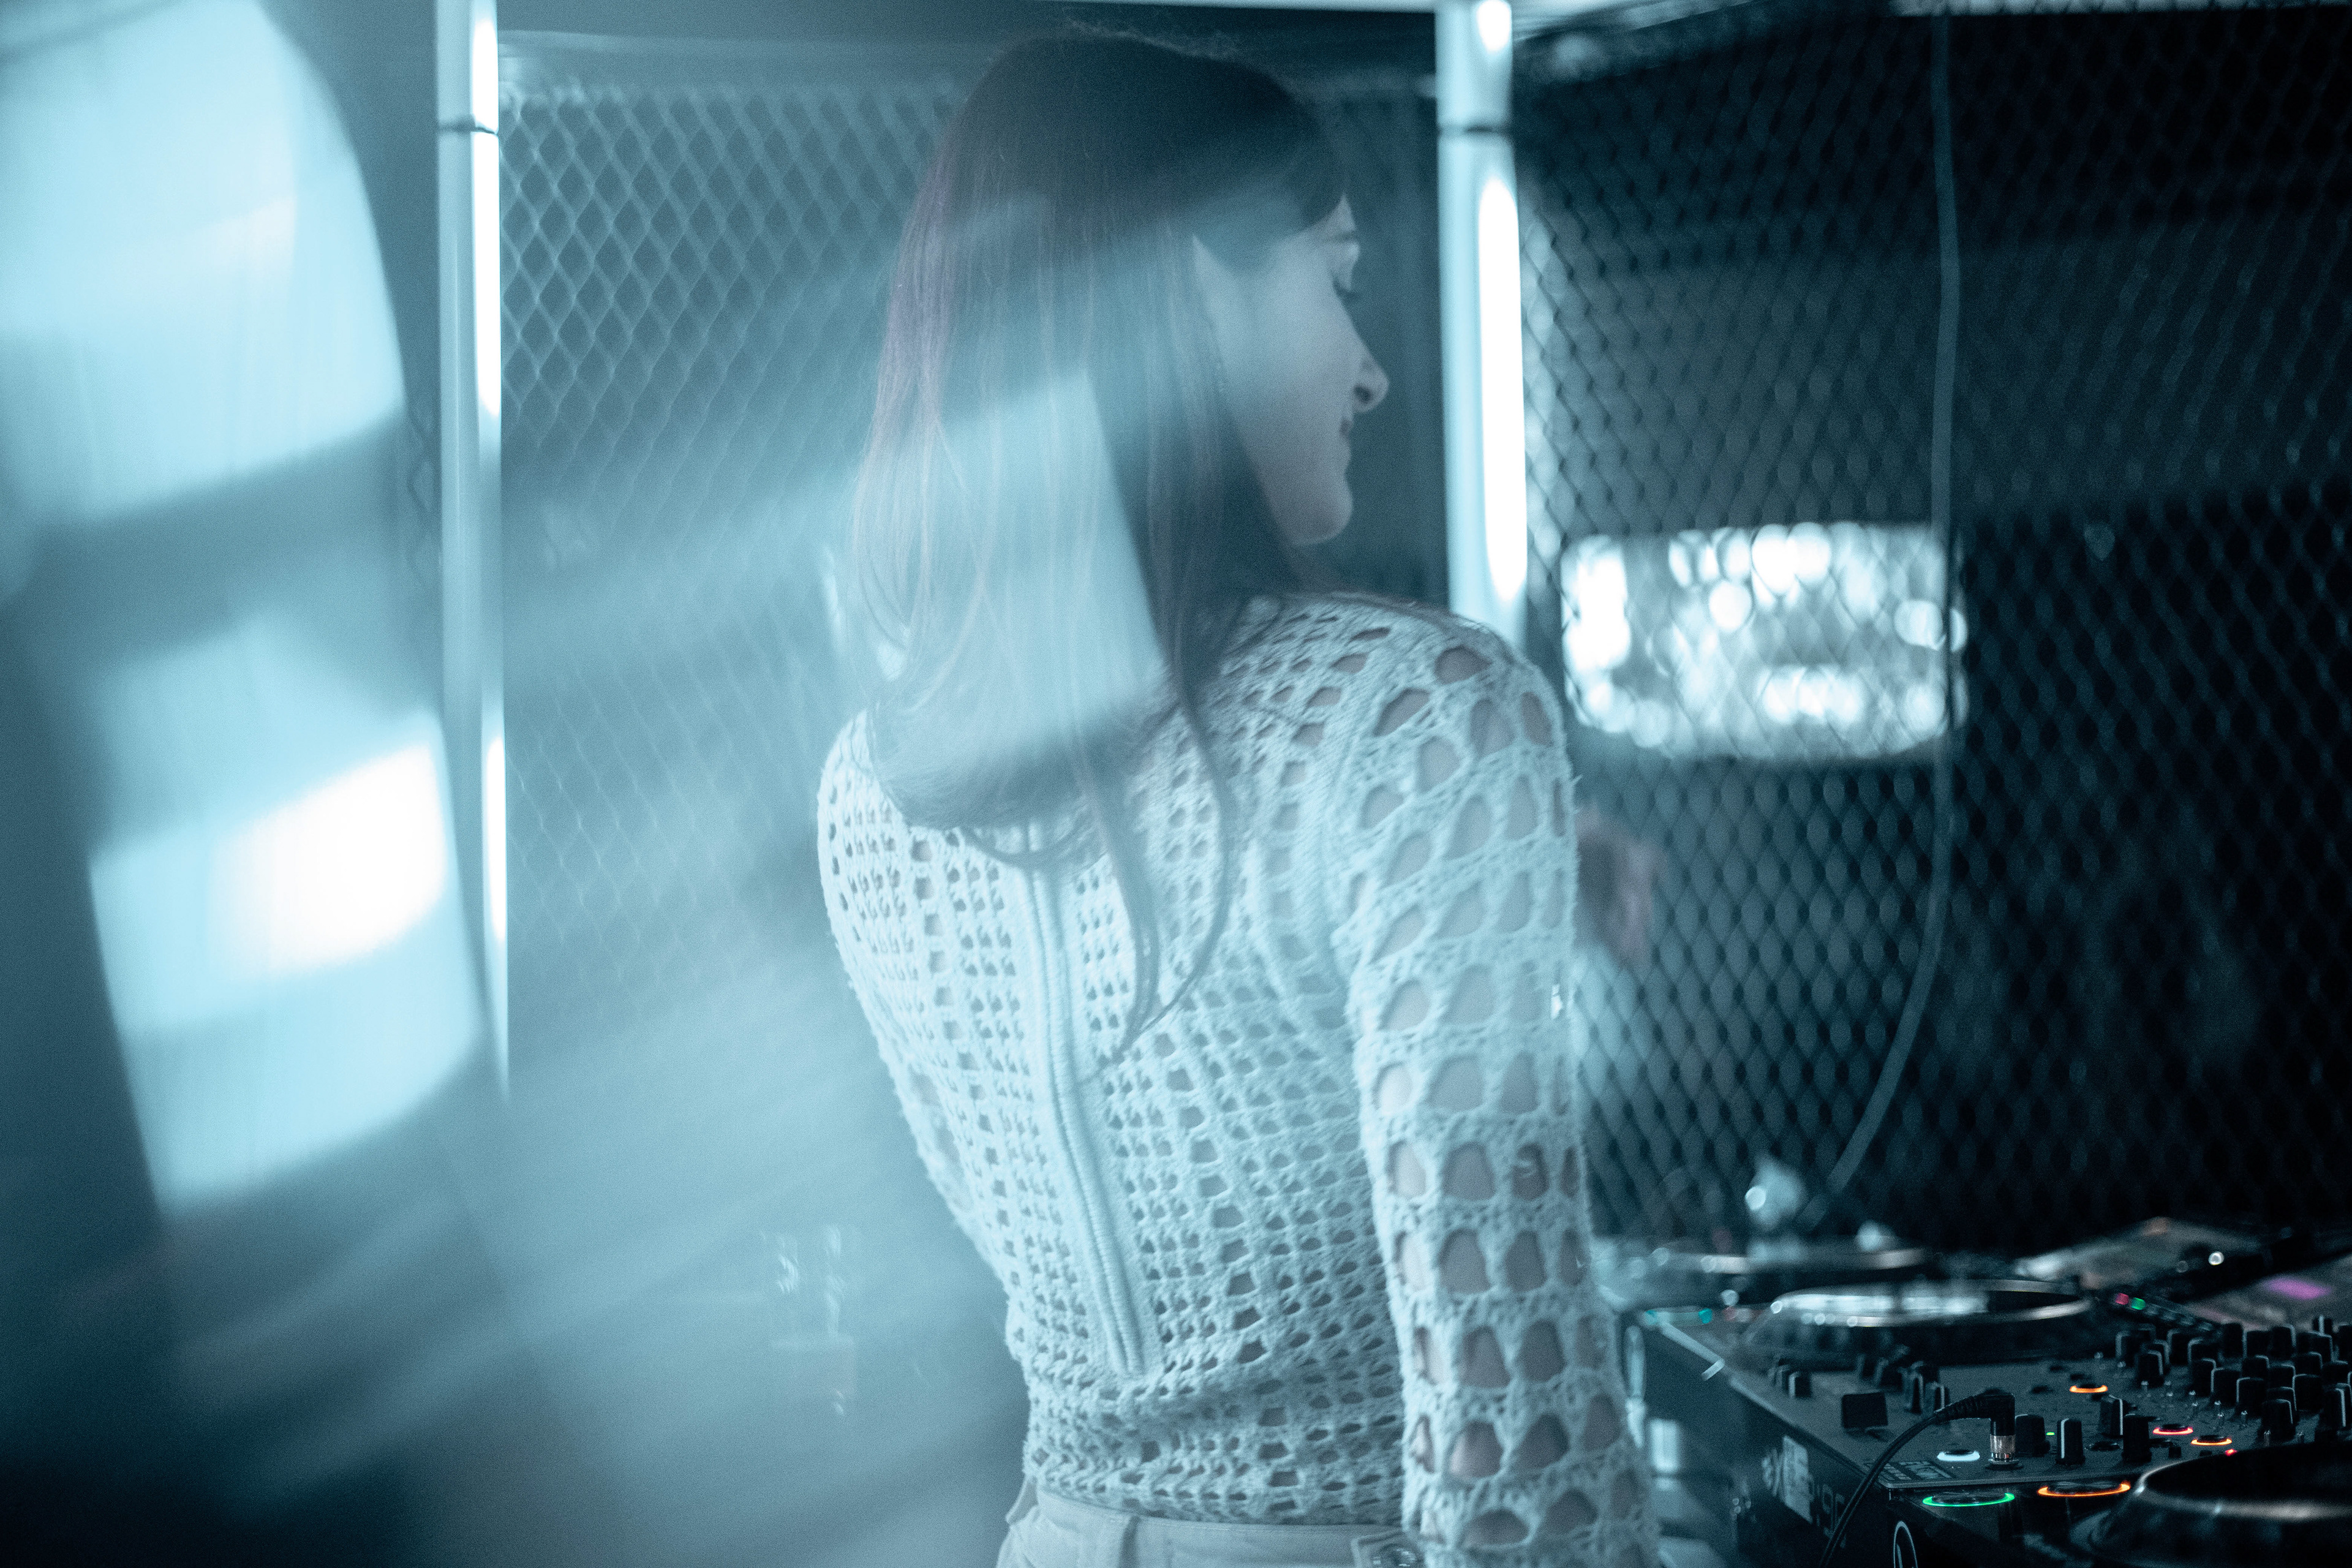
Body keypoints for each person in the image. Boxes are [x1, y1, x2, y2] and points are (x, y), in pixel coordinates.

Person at [818, 33, 1657, 1568]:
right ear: (1190, 287)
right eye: (1334, 276)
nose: (1370, 365)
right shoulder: (1422, 712)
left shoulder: (874, 788)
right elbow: (1512, 1445)